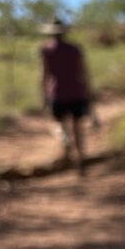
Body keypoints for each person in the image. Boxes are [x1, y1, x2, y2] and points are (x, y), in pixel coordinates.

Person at [39, 17, 93, 174]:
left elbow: (43, 74)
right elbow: (84, 73)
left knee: (62, 127)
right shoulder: (75, 49)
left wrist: (43, 95)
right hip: (77, 92)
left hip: (57, 94)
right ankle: (81, 159)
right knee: (78, 129)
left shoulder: (46, 49)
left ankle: (67, 149)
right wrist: (89, 94)